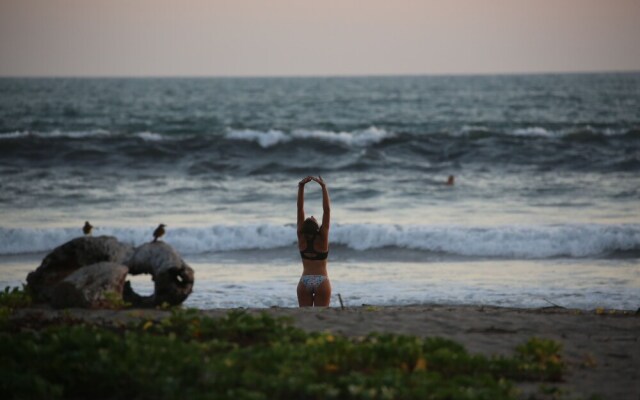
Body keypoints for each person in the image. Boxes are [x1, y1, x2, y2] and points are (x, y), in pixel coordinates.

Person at [296, 175, 331, 307]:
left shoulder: (301, 237)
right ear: (317, 227)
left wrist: (301, 187)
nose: (311, 216)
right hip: (321, 281)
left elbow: (300, 209)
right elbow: (327, 210)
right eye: (313, 218)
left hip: (304, 281)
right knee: (321, 316)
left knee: (305, 316)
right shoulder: (322, 238)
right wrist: (323, 187)